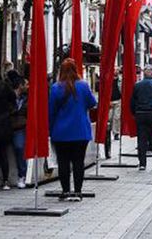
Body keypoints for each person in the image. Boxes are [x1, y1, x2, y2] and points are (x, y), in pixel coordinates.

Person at [49, 58, 97, 202]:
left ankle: (65, 191)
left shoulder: (56, 88)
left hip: (61, 131)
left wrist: (50, 129)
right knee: (78, 162)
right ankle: (77, 191)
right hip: (80, 131)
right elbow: (92, 103)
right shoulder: (83, 86)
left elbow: (51, 111)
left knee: (63, 162)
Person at [10, 75, 28, 189]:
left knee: (19, 147)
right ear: (20, 86)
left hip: (20, 126)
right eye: (26, 84)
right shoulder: (9, 97)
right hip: (8, 125)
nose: (28, 86)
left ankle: (23, 175)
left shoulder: (27, 97)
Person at [109, 67, 122, 141]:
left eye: (117, 70)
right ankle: (108, 132)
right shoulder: (109, 79)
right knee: (109, 118)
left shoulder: (120, 80)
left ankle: (116, 133)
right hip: (110, 101)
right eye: (114, 70)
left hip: (118, 100)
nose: (116, 71)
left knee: (117, 117)